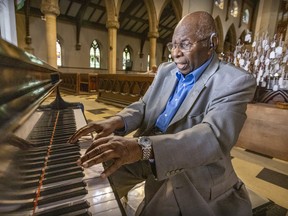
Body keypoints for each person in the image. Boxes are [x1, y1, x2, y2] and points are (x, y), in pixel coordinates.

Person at [69, 11, 256, 216]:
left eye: (184, 44)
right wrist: (117, 120)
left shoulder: (233, 81)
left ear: (211, 43)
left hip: (191, 168)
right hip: (145, 151)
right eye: (173, 45)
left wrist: (144, 148)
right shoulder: (167, 70)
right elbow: (144, 105)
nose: (175, 53)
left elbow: (213, 137)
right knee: (88, 178)